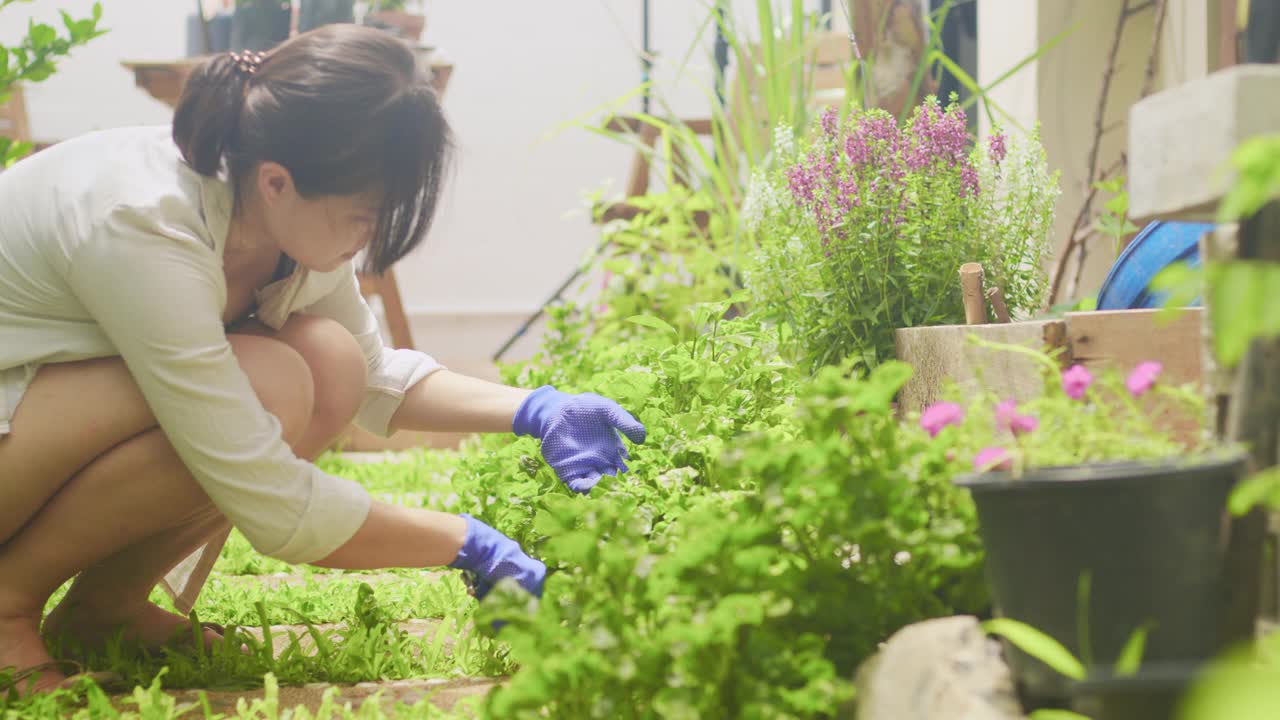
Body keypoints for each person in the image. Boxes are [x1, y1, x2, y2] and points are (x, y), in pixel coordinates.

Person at [0, 24, 645, 692]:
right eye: (363, 216)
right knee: (267, 384)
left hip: (33, 426)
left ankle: (104, 612)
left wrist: (540, 411)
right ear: (278, 182)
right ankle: (6, 605)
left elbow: (374, 376)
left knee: (331, 361)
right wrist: (465, 541)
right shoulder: (144, 223)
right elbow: (271, 498)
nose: (368, 238)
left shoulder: (270, 212)